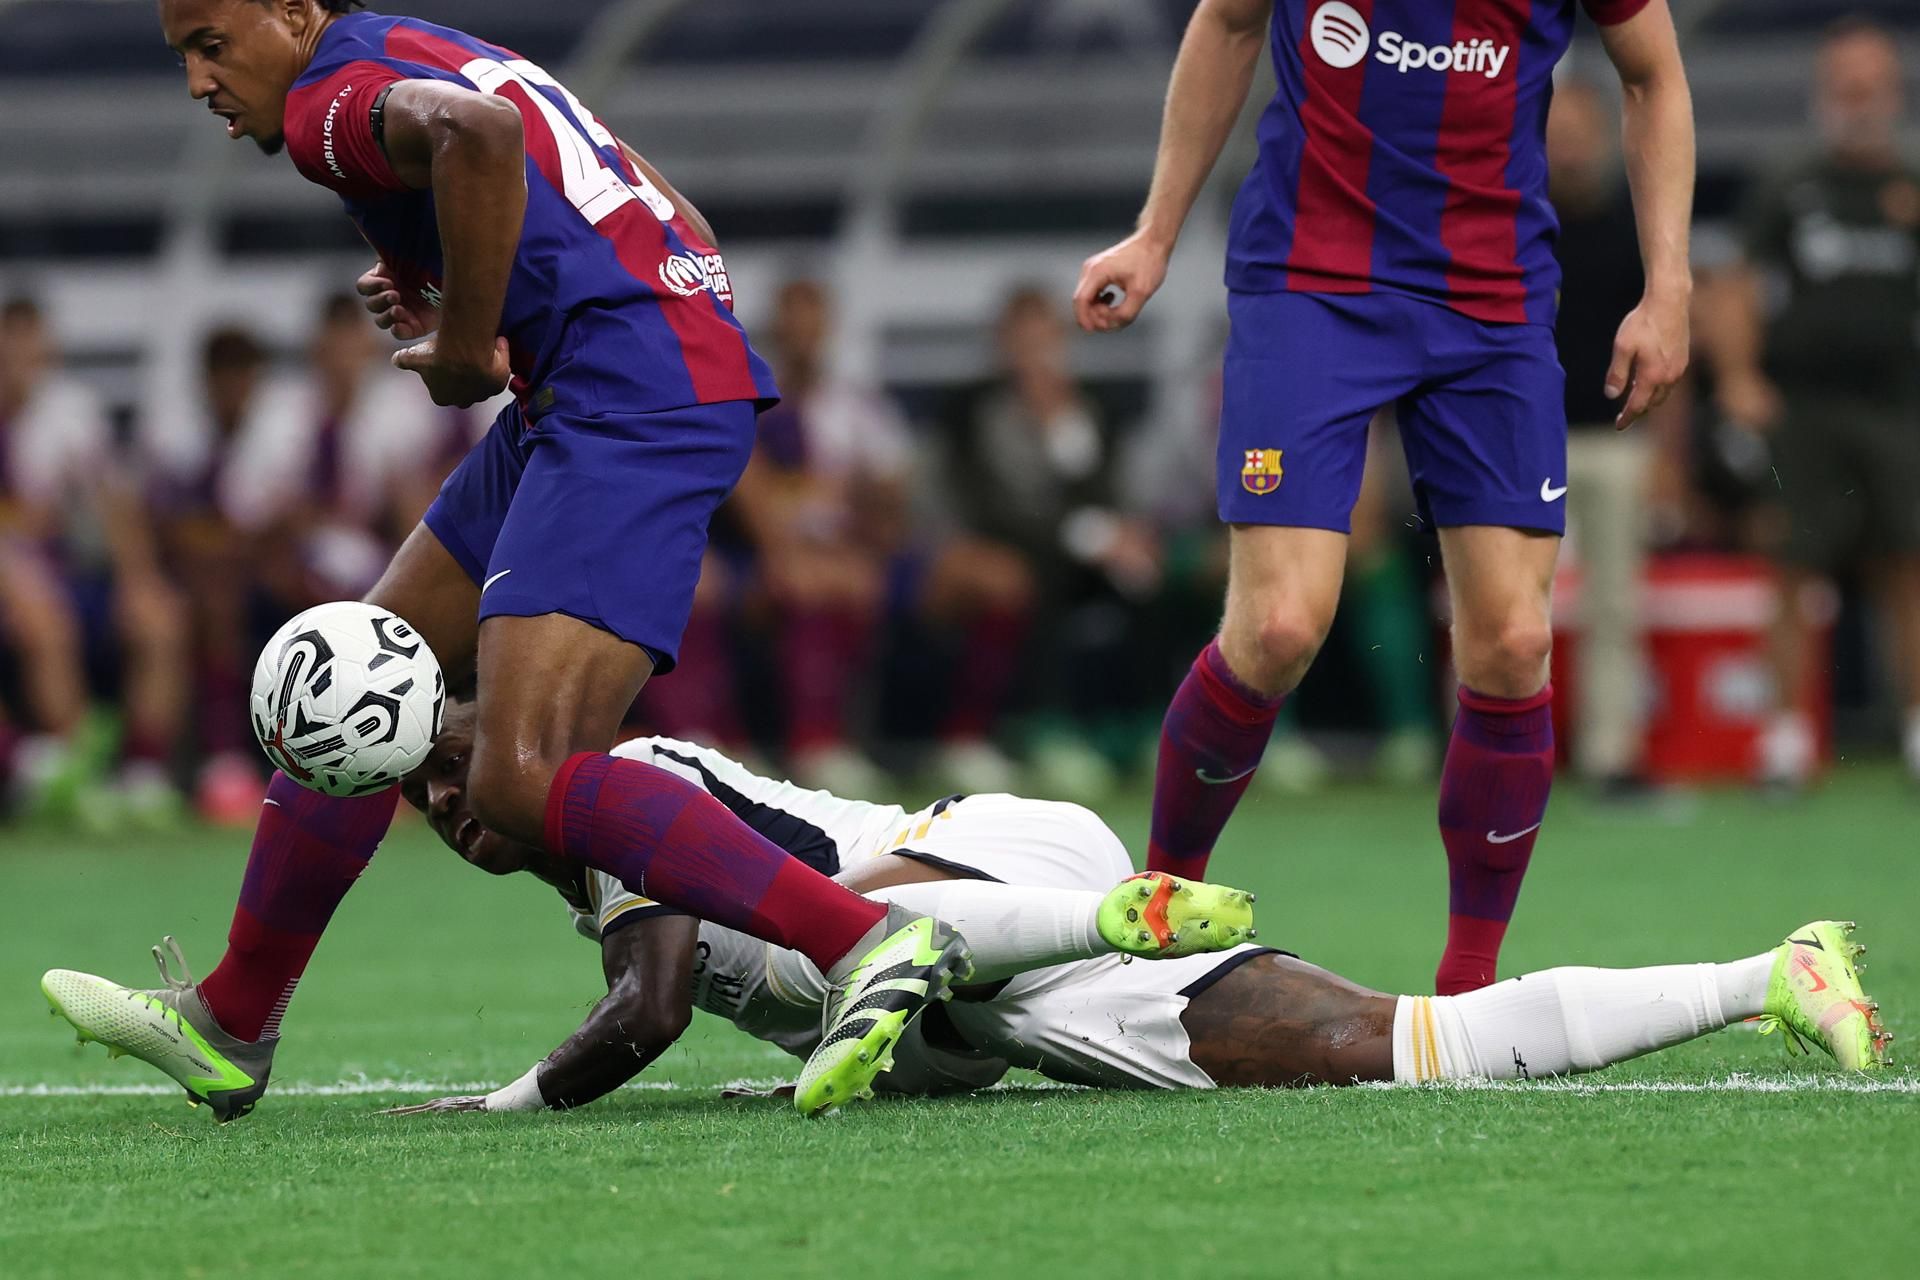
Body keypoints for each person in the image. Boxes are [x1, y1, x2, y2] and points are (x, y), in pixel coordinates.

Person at [72, 0, 966, 1122]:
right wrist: (503, 301)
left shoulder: (321, 104)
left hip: (626, 398)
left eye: (212, 45)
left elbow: (481, 137)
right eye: (182, 57)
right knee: (350, 676)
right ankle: (230, 1018)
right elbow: (675, 218)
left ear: (294, 14)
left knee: (519, 776)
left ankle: (868, 940)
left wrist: (464, 343)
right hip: (598, 383)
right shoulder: (420, 44)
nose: (199, 80)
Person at [61, 697, 1871, 1117]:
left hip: (965, 877)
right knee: (1390, 1051)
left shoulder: (612, 789)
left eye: (459, 764)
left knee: (1394, 1054)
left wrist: (508, 1104)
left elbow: (653, 1001)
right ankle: (1766, 974)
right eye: (429, 796)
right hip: (987, 900)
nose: (459, 805)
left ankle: (1766, 969)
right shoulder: (594, 810)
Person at [1073, 0, 1695, 993]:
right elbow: (1227, 23)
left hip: (1490, 300)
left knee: (1512, 642)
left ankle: (1468, 992)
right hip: (1311, 281)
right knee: (1277, 626)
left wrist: (1669, 287)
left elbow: (1652, 74)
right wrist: (1155, 234)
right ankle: (1155, 922)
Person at [1695, 18, 1920, 789]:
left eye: (1871, 86)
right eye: (1846, 86)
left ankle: (1915, 733)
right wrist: (1739, 377)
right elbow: (1736, 284)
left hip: (1896, 405)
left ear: (1892, 92)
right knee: (1793, 565)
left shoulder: (1909, 184)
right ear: (1826, 91)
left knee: (1907, 565)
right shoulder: (1791, 182)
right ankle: (1786, 740)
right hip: (1805, 407)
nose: (1859, 99)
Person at [938, 285, 1160, 797]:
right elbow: (988, 504)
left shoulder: (1088, 407)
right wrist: (1085, 535)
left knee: (1143, 574)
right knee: (1039, 577)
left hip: (1089, 550)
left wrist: (1121, 533)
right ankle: (1049, 730)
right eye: (1024, 342)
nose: (1035, 355)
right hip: (1014, 546)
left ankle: (1143, 728)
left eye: (1044, 341)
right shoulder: (975, 410)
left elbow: (1106, 487)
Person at [0, 295, 189, 825]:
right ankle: (72, 766)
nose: (20, 365)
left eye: (31, 351)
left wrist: (138, 578)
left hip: (61, 571)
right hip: (19, 581)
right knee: (42, 618)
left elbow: (113, 501)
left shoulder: (70, 412)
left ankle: (144, 773)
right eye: (10, 350)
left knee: (159, 618)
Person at [1548, 77, 1660, 793]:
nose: (1568, 149)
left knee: (1616, 605)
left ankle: (1611, 755)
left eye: (1579, 134)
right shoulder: (1514, 226)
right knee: (1507, 605)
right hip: (1526, 445)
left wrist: (1667, 450)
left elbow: (1667, 346)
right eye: (1556, 135)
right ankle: (1495, 756)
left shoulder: (1633, 228)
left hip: (1616, 439)